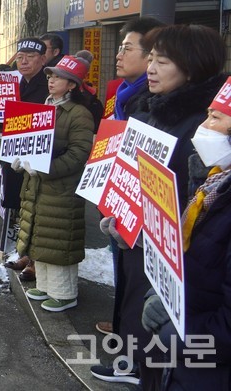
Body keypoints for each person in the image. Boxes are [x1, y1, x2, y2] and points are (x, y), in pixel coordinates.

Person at [102, 24, 228, 389]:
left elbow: (195, 206)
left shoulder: (204, 130)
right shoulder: (148, 109)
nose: (152, 68)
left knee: (161, 347)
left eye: (164, 60)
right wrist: (121, 213)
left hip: (180, 267)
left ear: (193, 66)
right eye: (152, 59)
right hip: (141, 249)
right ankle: (135, 362)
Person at [139, 78, 231, 390]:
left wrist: (178, 333)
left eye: (215, 118)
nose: (202, 127)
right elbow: (185, 261)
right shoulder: (210, 184)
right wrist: (165, 296)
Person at [89, 16, 166, 386]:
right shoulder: (123, 94)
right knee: (127, 280)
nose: (119, 54)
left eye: (127, 48)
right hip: (122, 206)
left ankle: (136, 361)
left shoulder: (153, 106)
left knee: (141, 287)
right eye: (119, 47)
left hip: (146, 218)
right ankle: (128, 349)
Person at [13, 51, 95, 312]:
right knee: (41, 238)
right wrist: (19, 156)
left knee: (60, 240)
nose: (51, 81)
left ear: (72, 85)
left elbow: (78, 154)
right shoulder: (45, 107)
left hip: (61, 188)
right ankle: (46, 285)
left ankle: (64, 293)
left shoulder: (78, 113)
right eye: (50, 75)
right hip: (38, 186)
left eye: (58, 77)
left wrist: (43, 169)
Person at [0, 37, 51, 282]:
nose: (23, 61)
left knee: (36, 208)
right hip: (15, 154)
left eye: (30, 57)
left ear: (43, 60)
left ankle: (35, 260)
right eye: (20, 57)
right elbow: (4, 117)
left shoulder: (47, 85)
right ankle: (26, 253)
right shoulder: (16, 84)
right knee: (23, 207)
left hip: (38, 157)